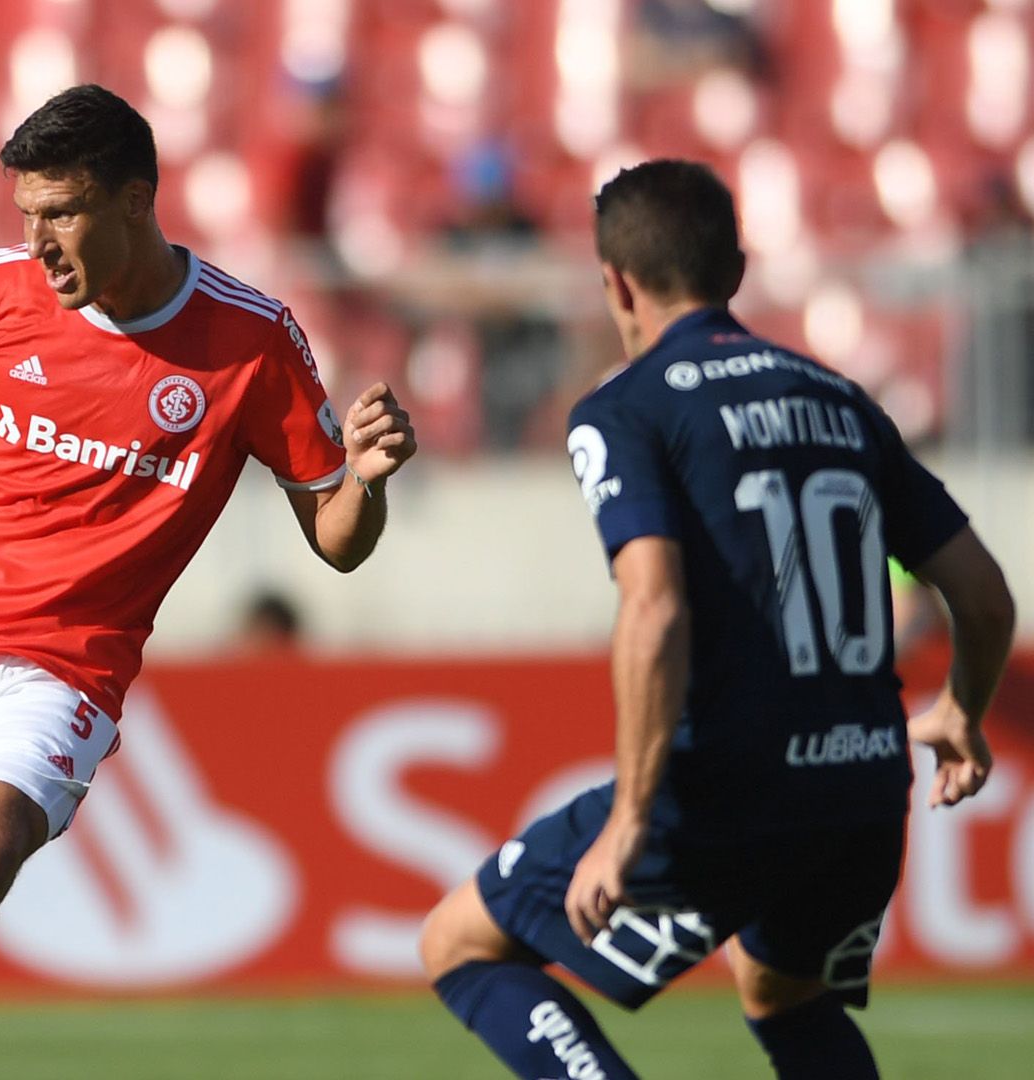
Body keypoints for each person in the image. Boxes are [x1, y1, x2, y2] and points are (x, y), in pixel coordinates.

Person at [0, 84, 416, 1080]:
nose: (40, 241)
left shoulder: (248, 343)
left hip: (63, 664)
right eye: (28, 214)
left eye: (63, 213)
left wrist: (368, 484)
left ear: (136, 200)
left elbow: (338, 538)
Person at [418, 160, 1013, 1079]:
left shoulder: (627, 409)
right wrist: (965, 710)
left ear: (613, 281)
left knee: (457, 944)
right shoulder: (844, 400)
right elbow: (981, 594)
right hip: (863, 788)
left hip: (728, 788)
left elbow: (653, 608)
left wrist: (629, 819)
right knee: (782, 993)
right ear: (736, 269)